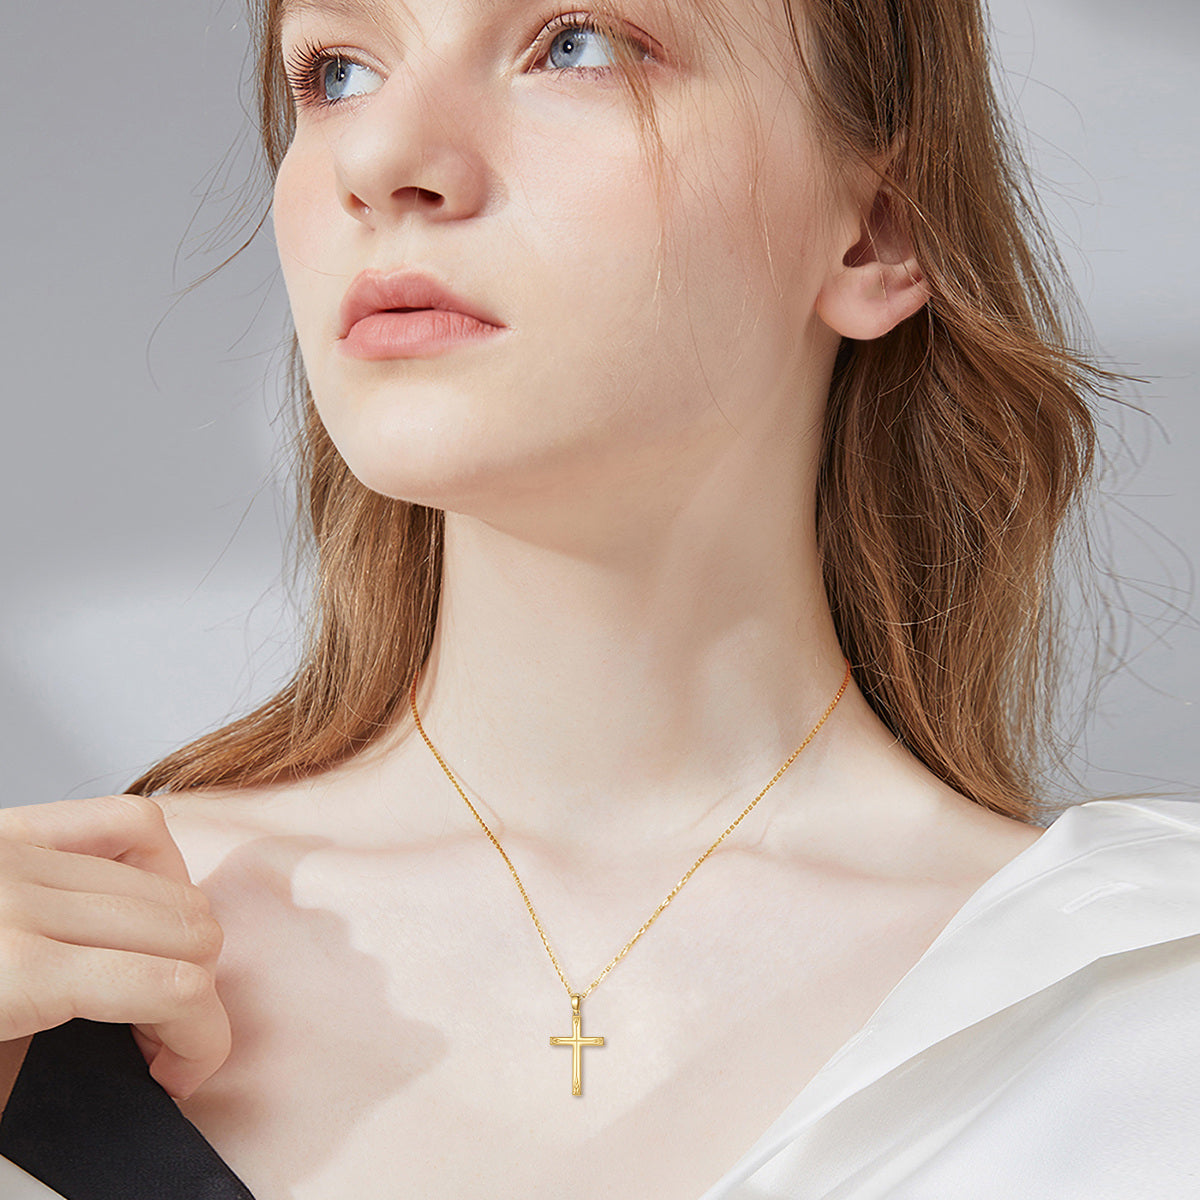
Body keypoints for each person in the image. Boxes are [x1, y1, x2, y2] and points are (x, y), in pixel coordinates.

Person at [0, 0, 1196, 1196]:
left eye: (576, 44)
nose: (379, 158)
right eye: (338, 71)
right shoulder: (55, 990)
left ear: (878, 229)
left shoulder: (1145, 1004)